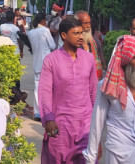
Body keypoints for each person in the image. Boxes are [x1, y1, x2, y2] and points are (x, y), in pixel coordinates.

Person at [83, 35, 135, 164]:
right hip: (118, 155)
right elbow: (96, 125)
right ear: (126, 60)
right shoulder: (107, 86)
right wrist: (90, 158)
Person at [38, 17, 97, 163]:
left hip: (85, 124)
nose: (80, 37)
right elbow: (45, 92)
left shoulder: (89, 59)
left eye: (81, 33)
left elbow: (94, 91)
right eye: (75, 33)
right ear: (64, 36)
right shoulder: (51, 60)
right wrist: (49, 119)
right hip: (61, 124)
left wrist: (98, 122)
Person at [28, 12, 58, 121]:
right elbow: (52, 45)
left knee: (37, 88)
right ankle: (48, 111)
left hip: (36, 63)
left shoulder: (30, 33)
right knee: (49, 88)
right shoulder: (45, 31)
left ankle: (38, 112)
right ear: (43, 21)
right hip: (47, 62)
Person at [75, 10, 103, 80]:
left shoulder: (95, 41)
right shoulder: (72, 43)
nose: (88, 26)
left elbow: (101, 57)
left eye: (89, 23)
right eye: (85, 23)